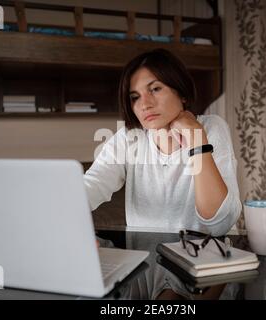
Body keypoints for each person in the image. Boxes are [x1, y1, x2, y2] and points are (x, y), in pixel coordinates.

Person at [84, 48, 241, 236]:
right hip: (149, 258)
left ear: (181, 92)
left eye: (155, 89)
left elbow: (219, 224)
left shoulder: (212, 128)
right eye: (135, 97)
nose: (145, 104)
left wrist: (196, 138)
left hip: (208, 260)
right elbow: (92, 186)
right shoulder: (129, 138)